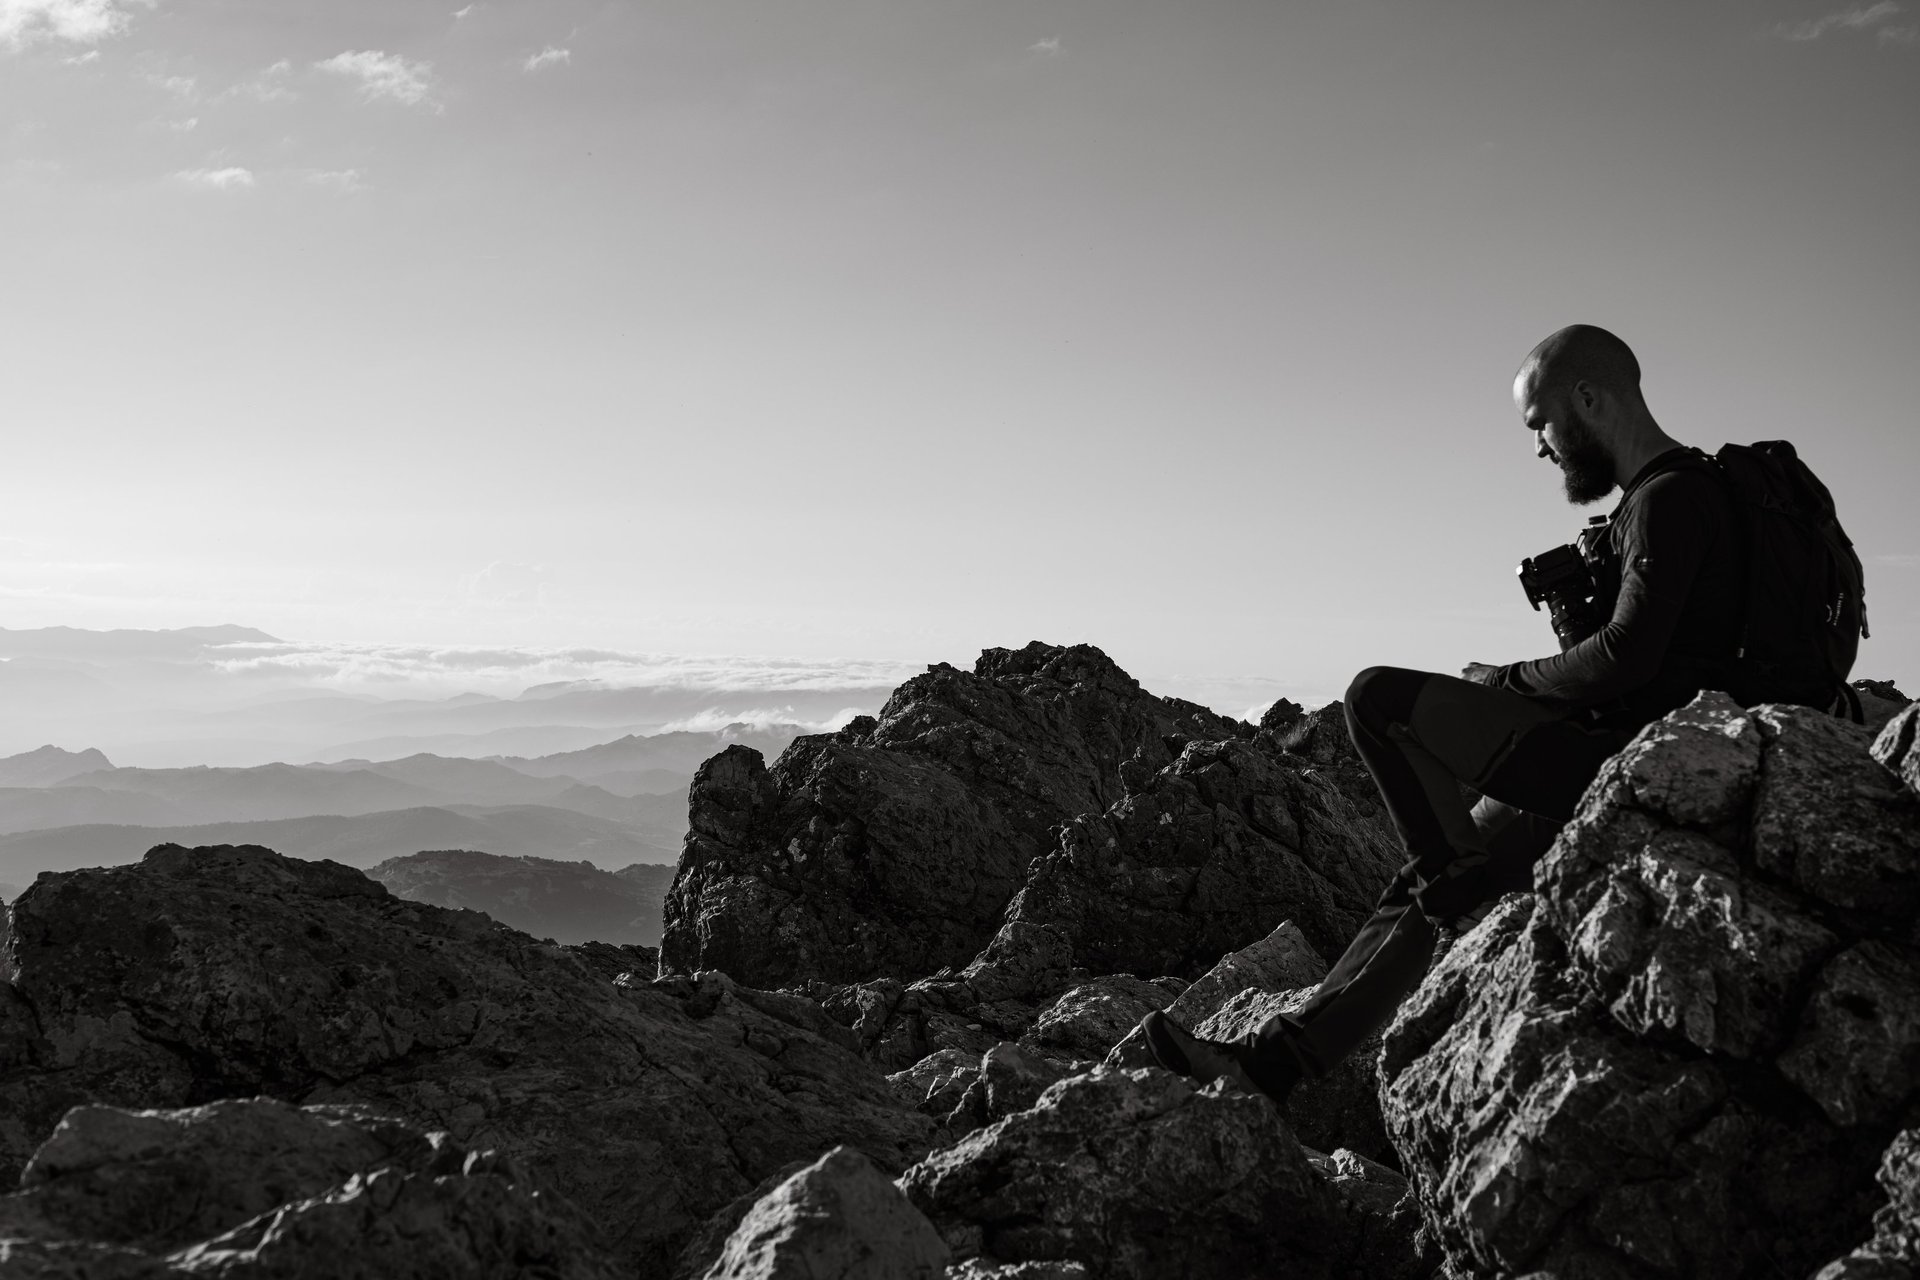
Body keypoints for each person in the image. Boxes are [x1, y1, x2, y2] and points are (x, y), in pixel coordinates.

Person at [1139, 324, 1746, 1101]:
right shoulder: (1693, 495)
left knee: (1376, 701)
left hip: (1641, 765)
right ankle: (1267, 1065)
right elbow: (1661, 656)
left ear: (1590, 399)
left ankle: (1462, 904)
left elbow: (1626, 657)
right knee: (1429, 870)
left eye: (1542, 425)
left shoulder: (1670, 498)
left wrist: (1503, 679)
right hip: (1645, 761)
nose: (1541, 449)